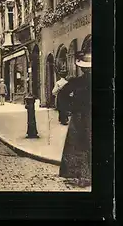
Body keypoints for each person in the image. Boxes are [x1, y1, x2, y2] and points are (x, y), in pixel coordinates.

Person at [59, 52, 92, 188]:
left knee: (79, 146)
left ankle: (83, 176)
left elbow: (62, 95)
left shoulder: (76, 82)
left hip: (79, 117)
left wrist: (68, 109)